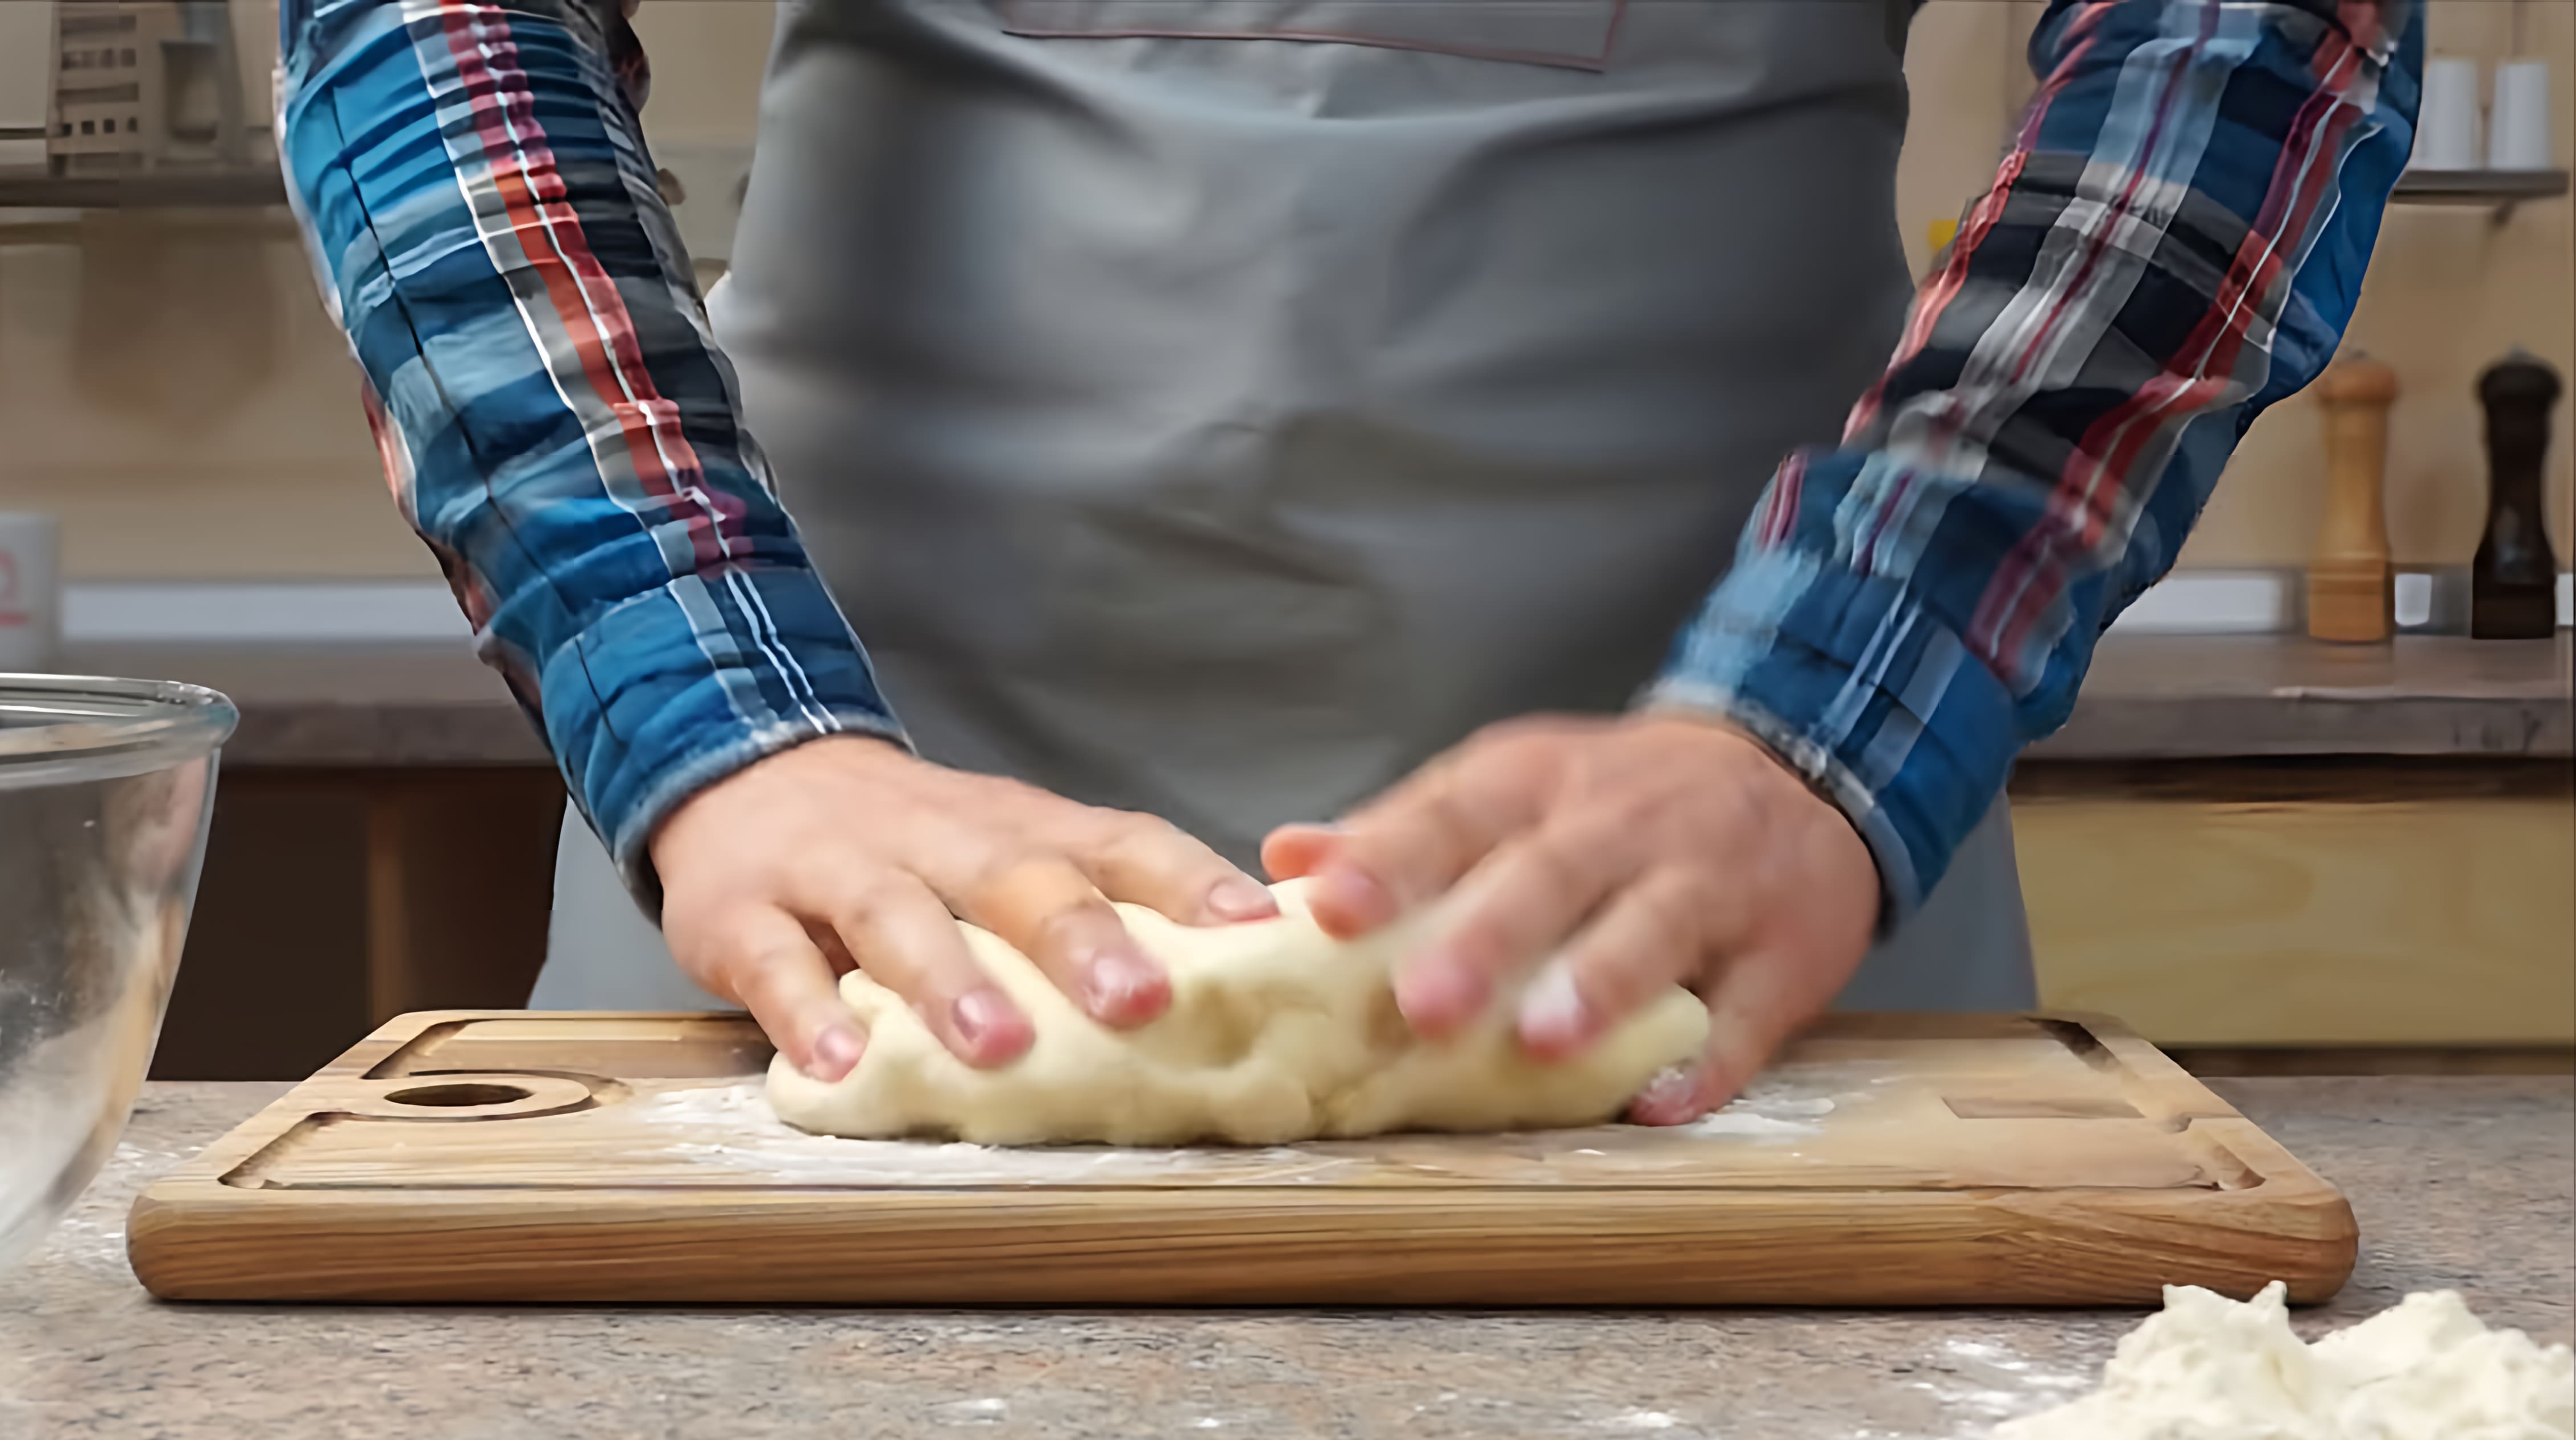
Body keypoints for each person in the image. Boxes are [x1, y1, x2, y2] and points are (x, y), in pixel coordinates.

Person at [278, 0, 2417, 1124]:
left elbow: (2236, 30)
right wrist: (710, 712)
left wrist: (1847, 699)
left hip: (1731, 871)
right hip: (837, 826)